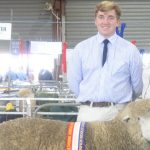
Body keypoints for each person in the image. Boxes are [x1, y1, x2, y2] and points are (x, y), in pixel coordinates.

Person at [67, 1, 143, 122]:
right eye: (101, 17)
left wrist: (120, 103)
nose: (105, 22)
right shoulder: (81, 49)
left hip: (118, 114)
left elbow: (137, 87)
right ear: (95, 20)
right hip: (88, 113)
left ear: (118, 22)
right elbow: (73, 82)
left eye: (111, 17)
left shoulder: (131, 51)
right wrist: (89, 101)